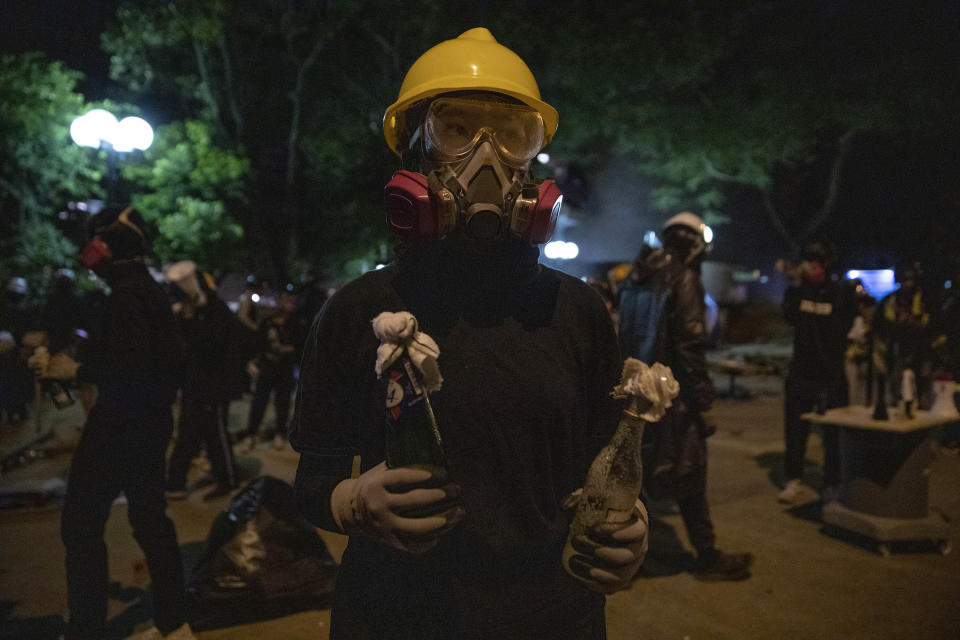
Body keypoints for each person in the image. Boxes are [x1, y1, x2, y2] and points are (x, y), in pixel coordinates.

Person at [291, 28, 648, 639]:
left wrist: (628, 522)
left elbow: (601, 461)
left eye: (512, 134)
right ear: (413, 151)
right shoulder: (361, 309)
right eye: (455, 129)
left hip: (556, 618)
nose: (486, 155)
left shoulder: (580, 311)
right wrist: (353, 503)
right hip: (395, 619)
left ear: (533, 155)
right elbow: (311, 483)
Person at [28, 205, 195, 640]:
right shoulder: (147, 289)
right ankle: (175, 624)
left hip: (120, 426)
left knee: (80, 525)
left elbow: (132, 363)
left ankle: (86, 628)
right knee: (151, 523)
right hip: (147, 423)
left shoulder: (126, 294)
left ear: (104, 247)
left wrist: (75, 371)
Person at [618, 212, 753, 581]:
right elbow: (690, 349)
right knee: (691, 475)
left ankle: (630, 559)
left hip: (635, 395)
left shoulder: (635, 275)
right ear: (694, 243)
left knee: (636, 479)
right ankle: (707, 557)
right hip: (673, 399)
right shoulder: (685, 278)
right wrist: (704, 403)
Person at [778, 239, 857, 504]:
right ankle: (793, 479)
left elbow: (843, 326)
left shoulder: (838, 291)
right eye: (808, 261)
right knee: (795, 430)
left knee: (832, 435)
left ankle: (832, 483)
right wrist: (796, 287)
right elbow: (788, 316)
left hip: (830, 374)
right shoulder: (797, 291)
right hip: (801, 371)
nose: (812, 267)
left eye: (817, 262)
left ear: (826, 264)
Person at [165, 261, 239, 502]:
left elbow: (212, 347)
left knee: (214, 434)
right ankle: (175, 482)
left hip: (213, 385)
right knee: (188, 433)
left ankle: (227, 479)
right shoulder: (191, 312)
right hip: (194, 384)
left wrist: (192, 321)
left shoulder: (216, 311)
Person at [240, 290, 299, 452]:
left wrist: (287, 350)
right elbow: (258, 343)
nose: (286, 305)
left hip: (285, 367)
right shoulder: (267, 322)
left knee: (283, 402)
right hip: (268, 366)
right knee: (259, 401)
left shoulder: (296, 322)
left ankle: (280, 433)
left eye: (289, 301)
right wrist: (255, 361)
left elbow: (299, 345)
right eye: (284, 301)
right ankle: (251, 434)